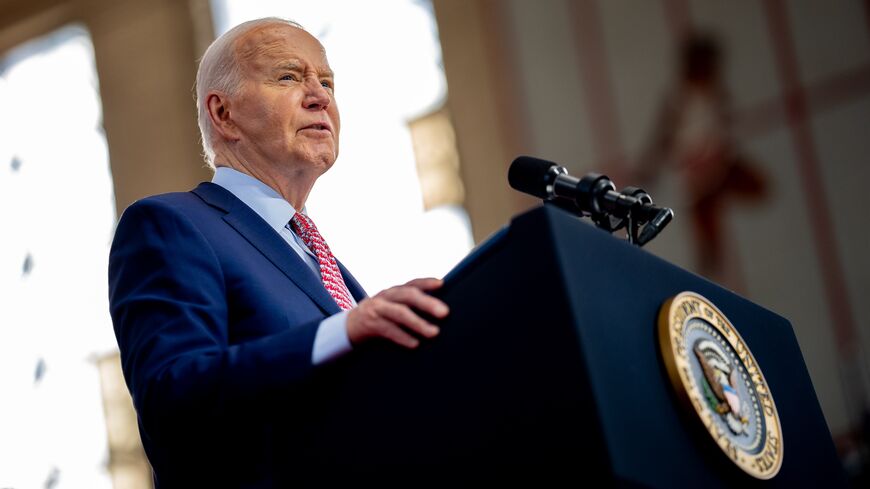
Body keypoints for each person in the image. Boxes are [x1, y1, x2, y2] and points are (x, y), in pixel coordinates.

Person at [108, 17, 449, 487]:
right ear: (223, 114)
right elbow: (174, 400)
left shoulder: (319, 258)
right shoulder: (172, 224)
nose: (320, 96)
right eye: (289, 76)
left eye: (326, 81)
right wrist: (343, 331)